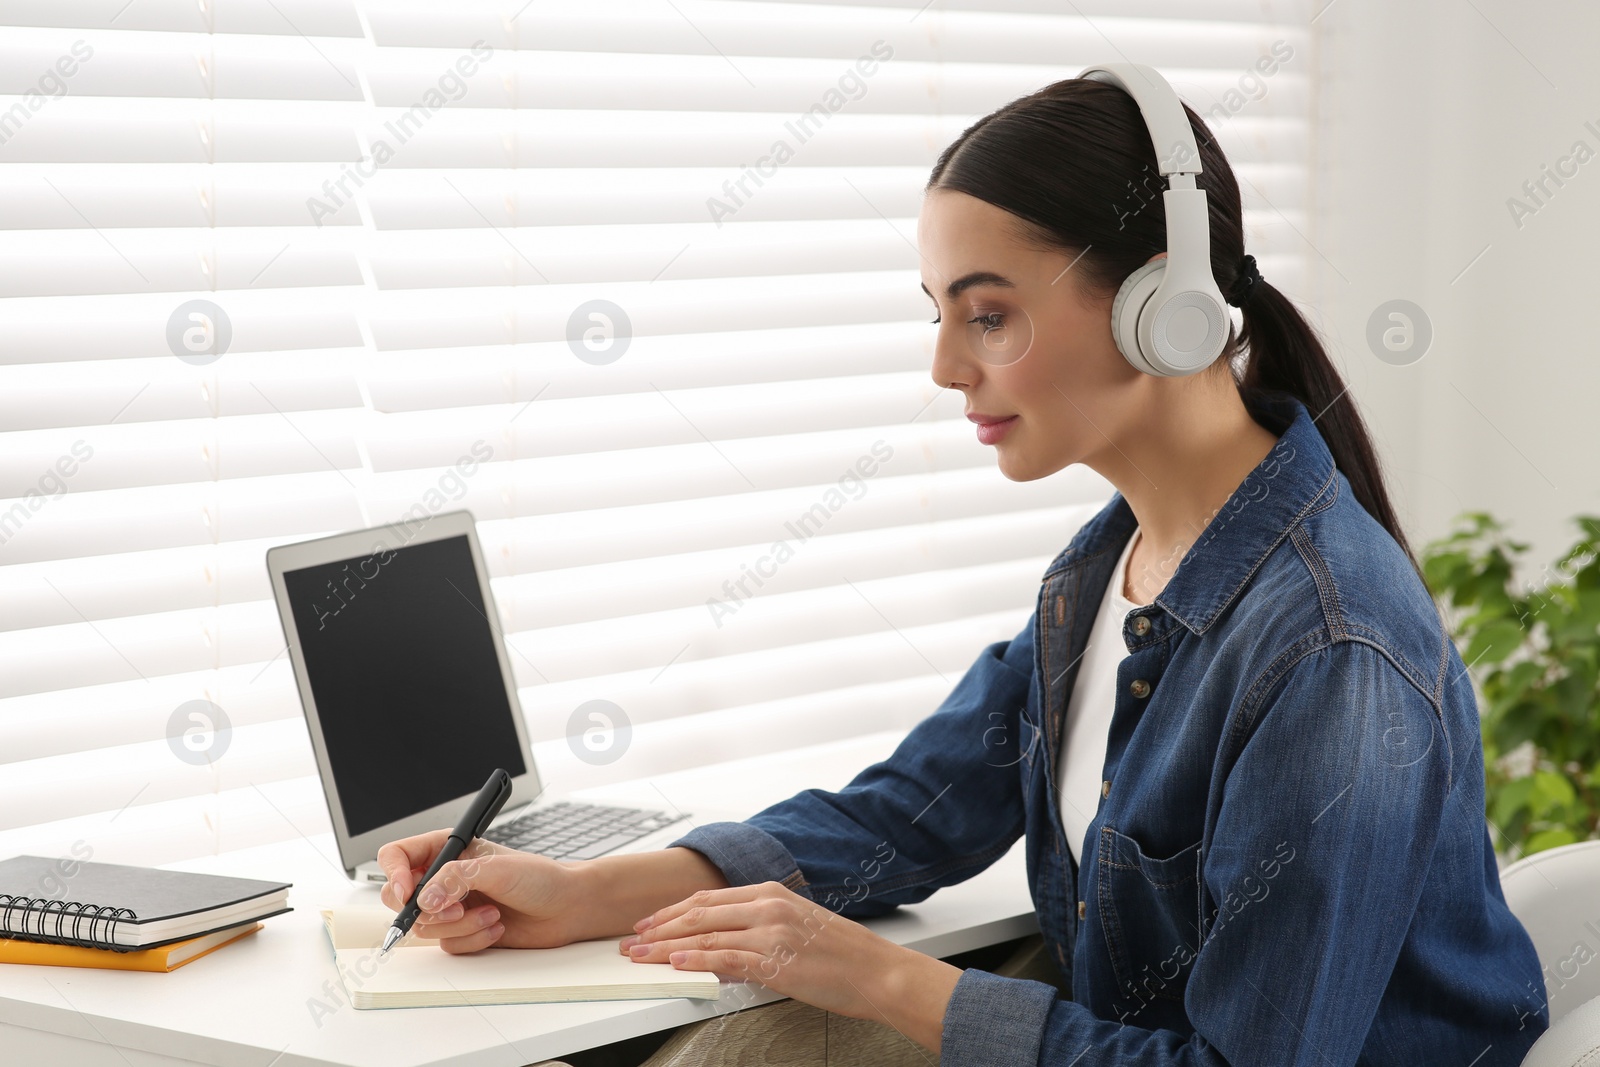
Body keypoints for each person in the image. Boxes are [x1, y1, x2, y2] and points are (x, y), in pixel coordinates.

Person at [376, 72, 1550, 1065]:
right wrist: (580, 889)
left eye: (986, 316)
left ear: (1165, 310)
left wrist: (886, 981)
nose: (945, 366)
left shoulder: (1329, 652)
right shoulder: (1111, 567)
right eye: (937, 314)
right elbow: (910, 809)